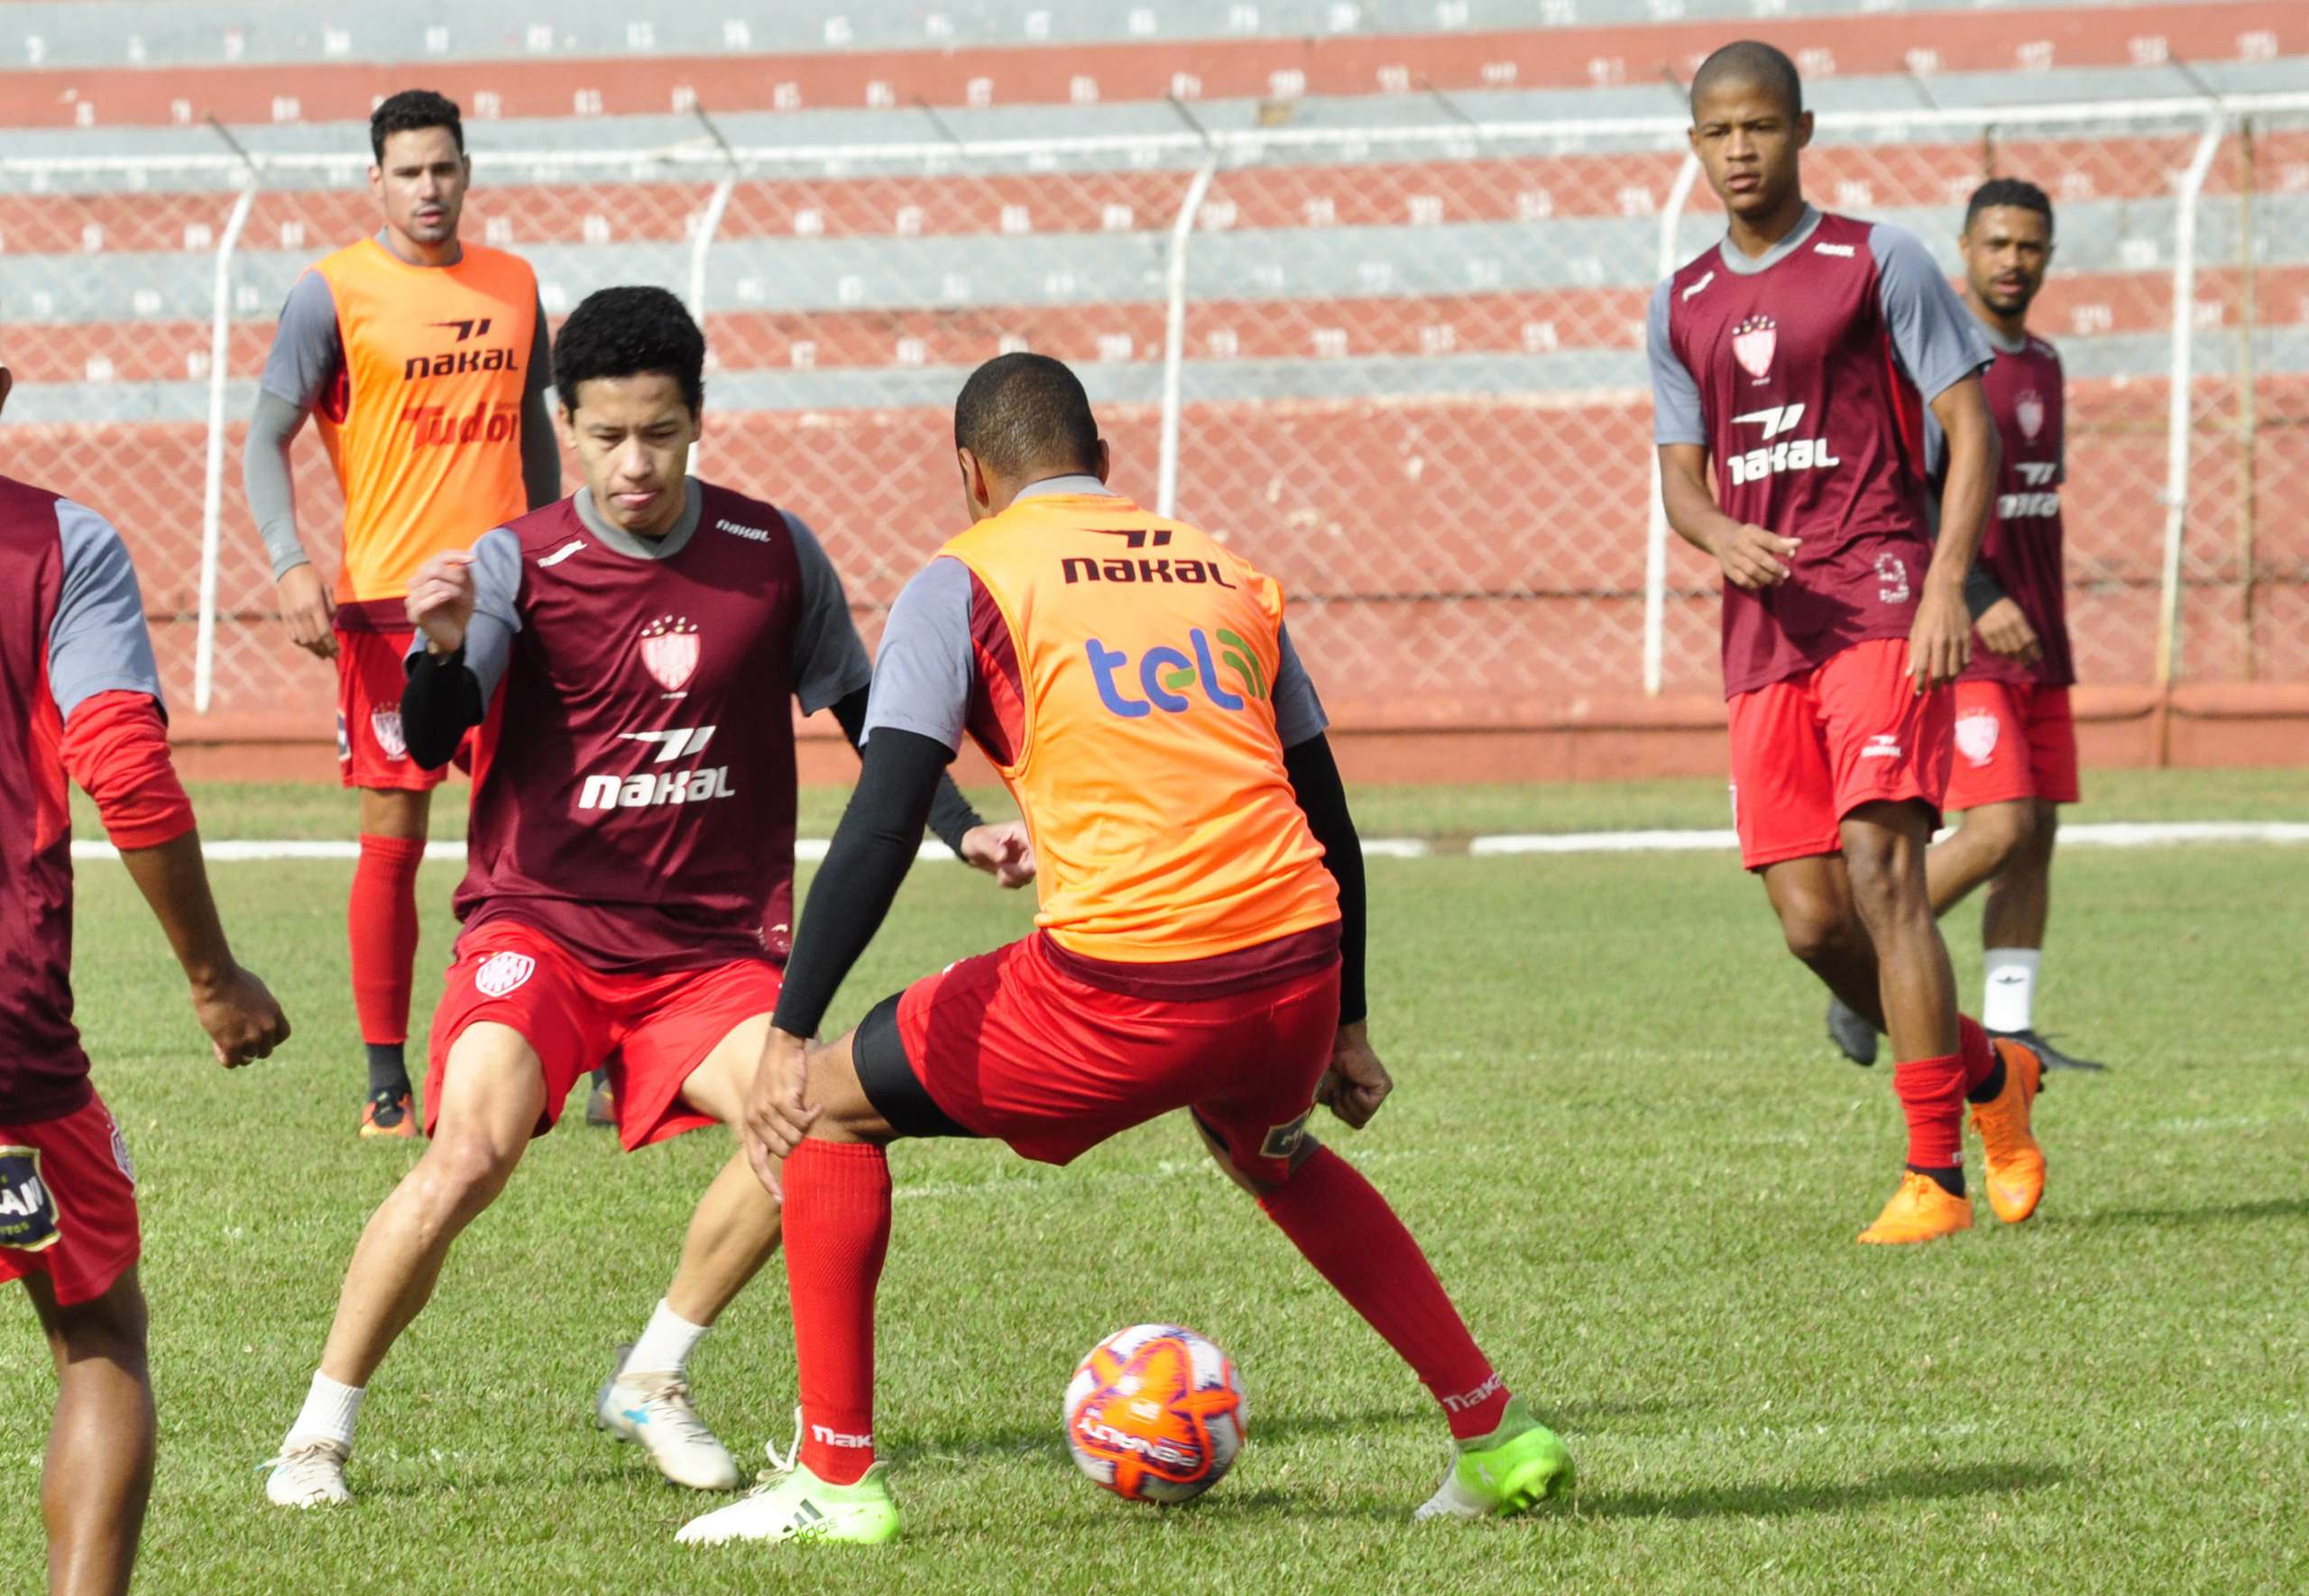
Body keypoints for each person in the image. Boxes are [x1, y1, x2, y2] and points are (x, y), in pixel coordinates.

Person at [674, 352, 1572, 1549]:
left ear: (969, 473)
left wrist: (789, 1031)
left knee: (835, 1104)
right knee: (1274, 1148)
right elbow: (1328, 808)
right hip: (1293, 960)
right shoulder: (1224, 571)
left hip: (1127, 982)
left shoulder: (966, 576)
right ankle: (1495, 1433)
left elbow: (887, 812)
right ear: (1104, 462)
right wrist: (1349, 1019)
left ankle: (837, 1482)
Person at [262, 287, 1032, 1509]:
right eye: (609, 435)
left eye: (661, 434)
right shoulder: (520, 560)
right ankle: (317, 1431)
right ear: (564, 425)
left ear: (698, 420)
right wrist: (445, 650)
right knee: (467, 1154)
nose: (635, 463)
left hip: (710, 950)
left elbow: (868, 715)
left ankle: (655, 1370)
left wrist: (962, 826)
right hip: (542, 926)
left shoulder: (772, 554)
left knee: (815, 1119)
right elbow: (429, 736)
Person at [1646, 41, 2047, 1244]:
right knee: (1815, 923)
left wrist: (1941, 590)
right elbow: (1680, 482)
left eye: (1761, 125)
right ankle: (1988, 1074)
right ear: (1695, 145)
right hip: (1765, 634)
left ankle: (1936, 1175)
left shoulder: (1878, 259)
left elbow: (1966, 430)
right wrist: (1721, 530)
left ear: (1801, 127)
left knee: (1883, 879)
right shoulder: (1681, 302)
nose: (1741, 149)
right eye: (1718, 132)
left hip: (1878, 603)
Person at [0, 358, 291, 1595]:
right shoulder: (60, 544)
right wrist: (213, 975)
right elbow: (121, 765)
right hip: (7, 1043)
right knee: (98, 1333)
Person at [244, 87, 565, 1138]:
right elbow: (263, 438)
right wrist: (292, 562)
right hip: (386, 601)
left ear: (467, 171)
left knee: (547, 818)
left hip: (510, 595)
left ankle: (578, 1048)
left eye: (445, 169)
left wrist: (559, 546)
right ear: (374, 180)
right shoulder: (330, 292)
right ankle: (387, 1080)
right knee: (395, 831)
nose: (429, 189)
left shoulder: (516, 287)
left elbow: (535, 442)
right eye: (409, 172)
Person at [1828, 179, 2106, 1073]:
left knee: (2037, 835)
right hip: (1970, 630)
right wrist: (1977, 594)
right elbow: (1918, 492)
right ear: (1966, 248)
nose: (2012, 261)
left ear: (2048, 255)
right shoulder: (1939, 363)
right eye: (1996, 245)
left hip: (2040, 639)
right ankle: (1864, 977)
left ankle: (2013, 1025)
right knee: (1995, 828)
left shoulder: (2046, 362)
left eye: (2028, 246)